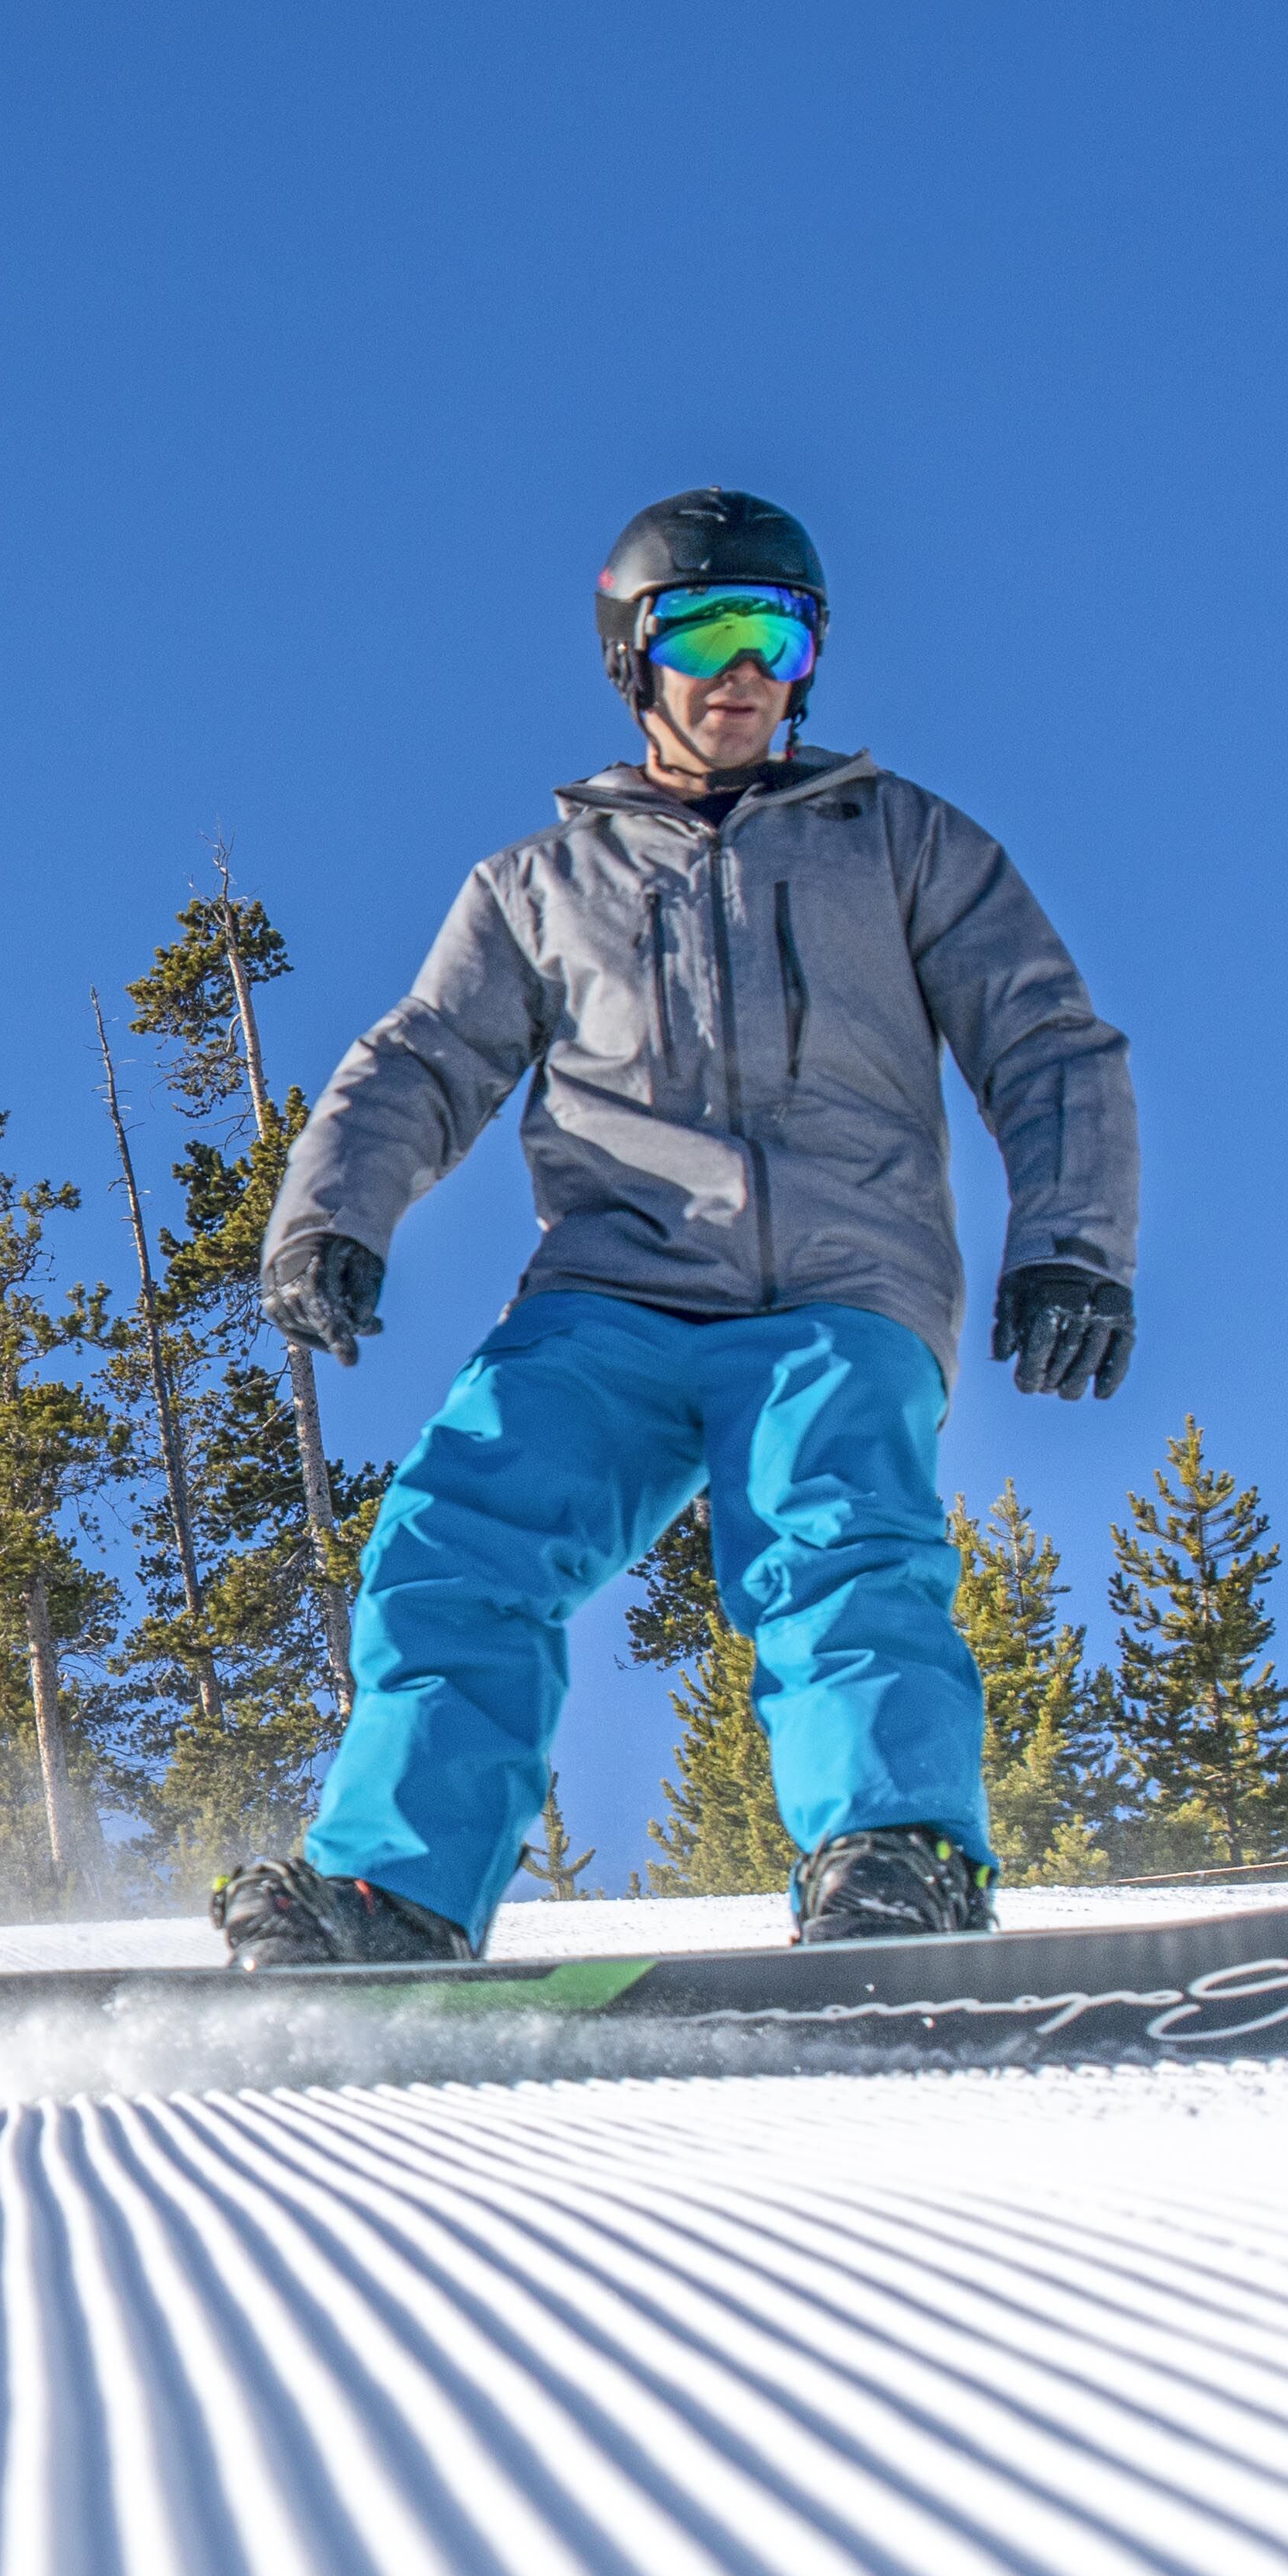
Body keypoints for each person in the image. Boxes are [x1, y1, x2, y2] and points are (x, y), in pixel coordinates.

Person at [221, 488, 1138, 1969]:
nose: (744, 670)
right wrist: (329, 1213)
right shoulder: (536, 888)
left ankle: (891, 1856)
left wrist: (1070, 1241)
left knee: (834, 1538)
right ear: (631, 660)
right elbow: (419, 1061)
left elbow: (1047, 1044)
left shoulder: (899, 845)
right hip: (613, 1297)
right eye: (705, 631)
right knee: (458, 1535)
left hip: (839, 1287)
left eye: (776, 633)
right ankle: (396, 1893)